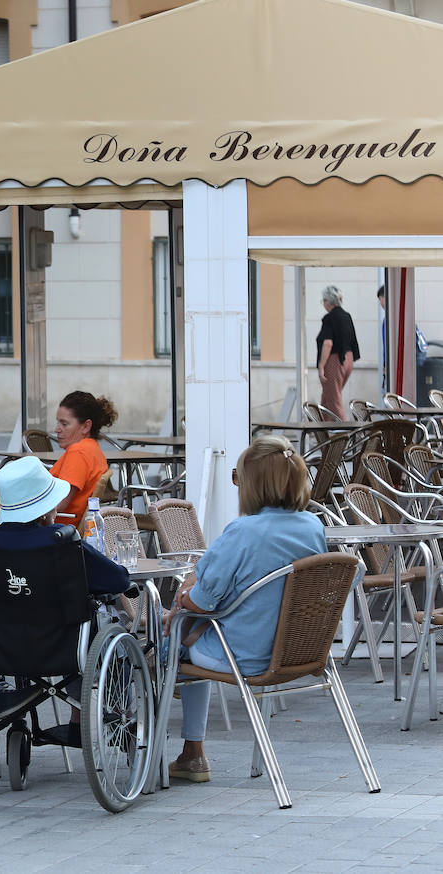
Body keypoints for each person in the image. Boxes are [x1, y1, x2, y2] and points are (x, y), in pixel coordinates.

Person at [161, 435, 326, 783]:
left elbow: (202, 601)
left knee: (170, 641)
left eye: (238, 477)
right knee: (184, 639)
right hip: (298, 652)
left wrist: (183, 596)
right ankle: (191, 751)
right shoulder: (313, 527)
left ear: (252, 484)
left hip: (243, 655)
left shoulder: (243, 531)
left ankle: (161, 745)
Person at [0, 455, 131, 747]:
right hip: (63, 650)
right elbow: (117, 580)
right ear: (46, 509)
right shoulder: (64, 544)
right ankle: (116, 714)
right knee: (99, 624)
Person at [50, 390, 117, 533]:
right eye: (58, 422)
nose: (57, 429)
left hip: (55, 532)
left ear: (86, 426)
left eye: (64, 424)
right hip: (69, 530)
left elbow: (60, 502)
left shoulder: (78, 452)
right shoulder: (93, 449)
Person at [377, 284, 428, 399]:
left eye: (381, 299)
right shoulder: (404, 316)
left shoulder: (390, 319)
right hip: (412, 365)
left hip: (399, 366)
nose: (381, 304)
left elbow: (387, 346)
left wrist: (386, 364)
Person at [316, 285, 359, 419]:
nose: (323, 303)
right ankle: (323, 434)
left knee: (334, 401)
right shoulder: (347, 316)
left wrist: (321, 365)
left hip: (335, 361)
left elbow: (328, 343)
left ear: (329, 302)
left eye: (323, 300)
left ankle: (345, 436)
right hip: (348, 359)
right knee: (327, 399)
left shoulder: (329, 318)